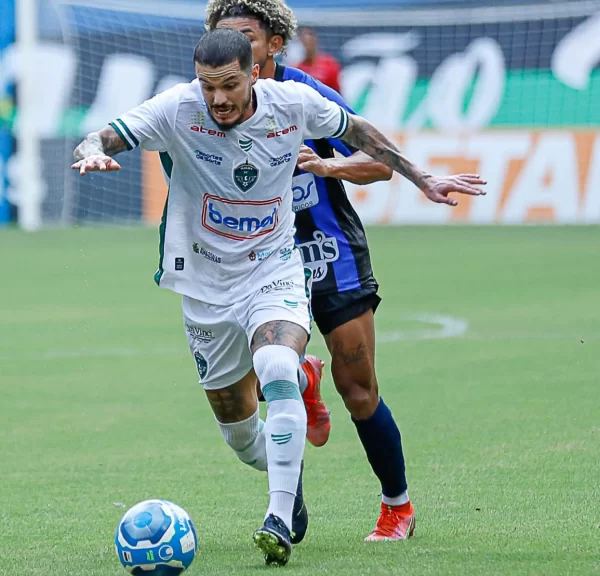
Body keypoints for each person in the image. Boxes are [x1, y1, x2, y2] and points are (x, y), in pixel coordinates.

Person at [71, 28, 484, 566]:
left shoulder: (293, 103)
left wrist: (421, 176)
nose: (217, 98)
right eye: (208, 85)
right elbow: (101, 136)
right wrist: (90, 152)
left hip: (273, 268)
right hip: (204, 287)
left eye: (229, 85)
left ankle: (278, 518)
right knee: (242, 437)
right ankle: (288, 460)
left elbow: (360, 133)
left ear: (253, 74)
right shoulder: (176, 108)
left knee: (275, 364)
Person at [204, 0, 422, 542]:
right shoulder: (206, 104)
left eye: (246, 37)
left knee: (359, 388)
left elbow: (379, 163)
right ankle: (286, 507)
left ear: (275, 44)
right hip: (257, 266)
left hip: (328, 253)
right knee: (273, 381)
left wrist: (329, 165)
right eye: (223, 37)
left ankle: (398, 506)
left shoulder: (307, 96)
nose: (235, 49)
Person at [295, 26, 342, 94]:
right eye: (305, 43)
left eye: (310, 42)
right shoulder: (297, 68)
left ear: (315, 41)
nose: (308, 47)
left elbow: (336, 91)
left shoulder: (329, 64)